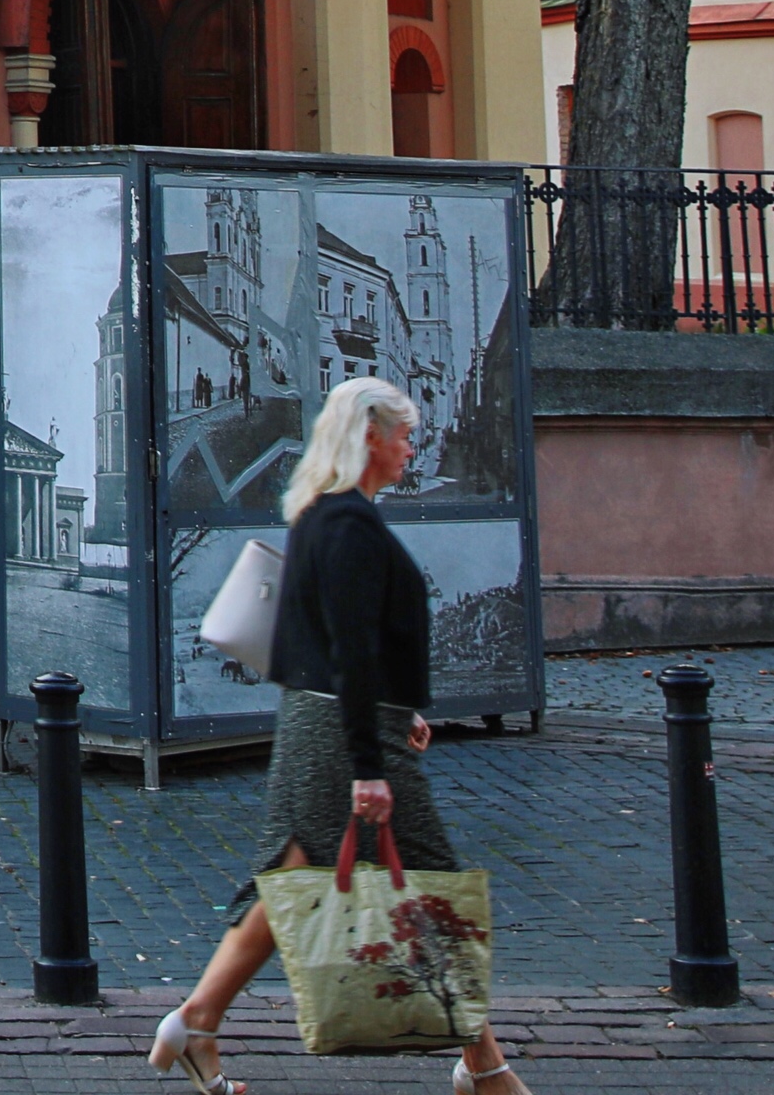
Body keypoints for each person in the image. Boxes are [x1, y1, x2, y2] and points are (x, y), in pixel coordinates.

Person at [152, 376, 527, 1095]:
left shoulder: (322, 514)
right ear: (370, 436)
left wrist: (398, 711)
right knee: (428, 886)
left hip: (321, 724)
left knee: (294, 873)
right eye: (405, 435)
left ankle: (197, 1021)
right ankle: (485, 1067)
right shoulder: (350, 524)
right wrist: (368, 765)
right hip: (340, 738)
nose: (412, 448)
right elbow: (351, 649)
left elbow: (338, 643)